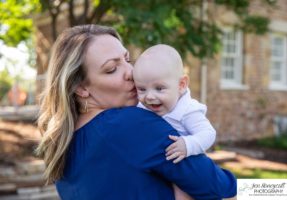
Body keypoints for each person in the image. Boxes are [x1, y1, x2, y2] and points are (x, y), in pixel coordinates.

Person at [36, 24, 237, 200]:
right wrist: (267, 190)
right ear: (81, 88)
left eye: (127, 59)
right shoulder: (128, 125)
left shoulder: (60, 146)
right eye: (112, 69)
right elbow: (220, 187)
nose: (131, 73)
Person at [133, 44, 216, 200]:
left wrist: (188, 144)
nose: (149, 96)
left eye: (159, 88)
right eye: (142, 89)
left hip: (186, 164)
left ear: (181, 85)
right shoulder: (142, 107)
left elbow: (208, 133)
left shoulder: (188, 110)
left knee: (182, 190)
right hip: (158, 166)